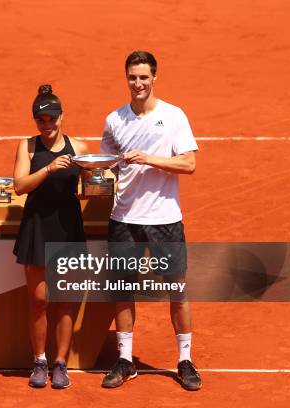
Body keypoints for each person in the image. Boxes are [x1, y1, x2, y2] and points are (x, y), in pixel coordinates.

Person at [99, 51, 201, 391]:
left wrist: (150, 159)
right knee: (123, 289)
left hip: (164, 219)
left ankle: (184, 360)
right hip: (124, 218)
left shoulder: (174, 116)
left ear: (154, 78)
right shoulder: (114, 120)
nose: (138, 83)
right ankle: (126, 359)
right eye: (132, 77)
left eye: (144, 77)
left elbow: (188, 164)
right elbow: (107, 166)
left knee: (177, 290)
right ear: (126, 78)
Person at [13, 85, 89, 389]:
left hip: (68, 227)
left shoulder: (80, 147)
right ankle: (40, 361)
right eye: (41, 120)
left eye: (52, 118)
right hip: (38, 227)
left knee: (66, 300)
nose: (47, 125)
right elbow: (19, 185)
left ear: (62, 116)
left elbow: (91, 183)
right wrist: (49, 168)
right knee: (38, 300)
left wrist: (100, 183)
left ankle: (61, 363)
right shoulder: (28, 147)